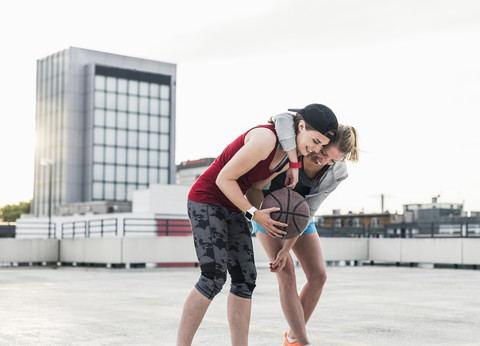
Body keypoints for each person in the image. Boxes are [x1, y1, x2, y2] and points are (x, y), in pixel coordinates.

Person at [176, 104, 339, 346]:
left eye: (321, 145)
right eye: (315, 141)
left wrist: (263, 214)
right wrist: (253, 214)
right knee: (213, 277)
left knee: (245, 279)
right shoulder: (265, 139)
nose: (316, 149)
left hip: (233, 204)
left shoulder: (288, 156)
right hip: (207, 199)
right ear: (301, 126)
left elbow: (253, 188)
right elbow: (224, 178)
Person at [249, 114, 359, 346]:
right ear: (323, 140)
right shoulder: (301, 144)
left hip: (301, 214)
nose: (325, 162)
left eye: (332, 161)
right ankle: (303, 342)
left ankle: (292, 338)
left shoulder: (337, 172)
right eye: (325, 154)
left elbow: (309, 208)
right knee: (286, 273)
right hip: (267, 209)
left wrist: (287, 247)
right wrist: (293, 159)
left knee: (318, 277)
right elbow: (281, 118)